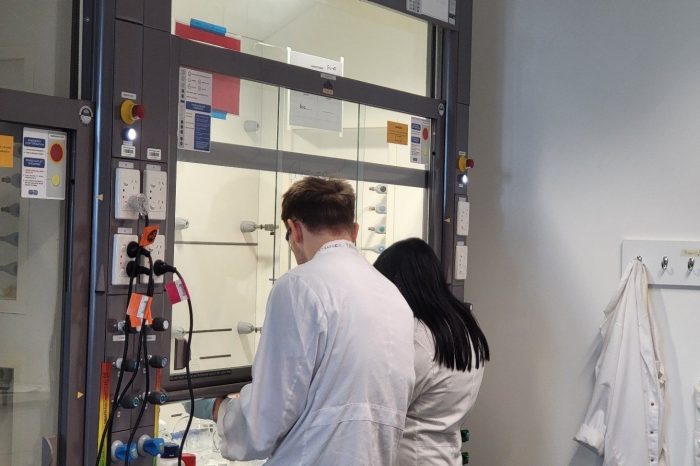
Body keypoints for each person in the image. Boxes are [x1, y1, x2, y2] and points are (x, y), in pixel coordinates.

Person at [194, 177, 416, 465]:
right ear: (355, 231)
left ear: (295, 229)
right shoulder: (393, 295)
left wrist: (217, 409)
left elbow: (264, 422)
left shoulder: (299, 286)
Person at [373, 238, 490, 466]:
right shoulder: (463, 328)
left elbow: (386, 401)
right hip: (446, 455)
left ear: (398, 284)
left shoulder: (419, 337)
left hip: (413, 456)